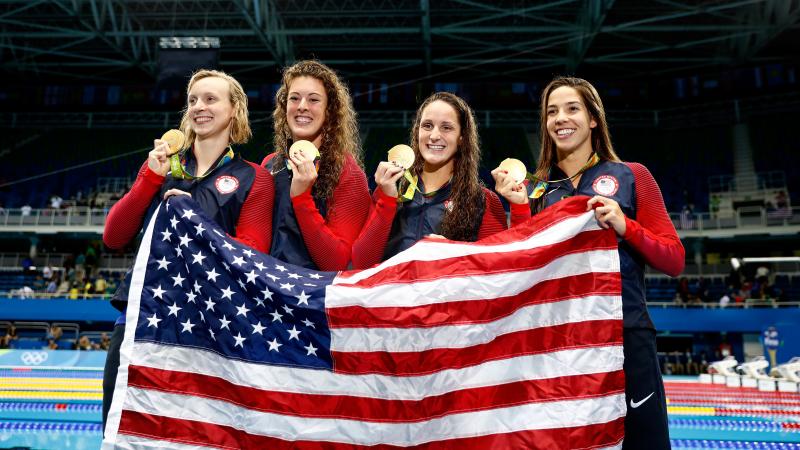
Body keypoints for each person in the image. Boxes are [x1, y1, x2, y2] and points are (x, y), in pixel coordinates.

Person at [492, 76, 684, 449]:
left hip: (625, 335)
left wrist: (626, 226)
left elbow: (674, 259)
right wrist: (517, 206)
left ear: (594, 118)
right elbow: (523, 265)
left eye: (572, 108)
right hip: (561, 342)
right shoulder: (537, 188)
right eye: (551, 112)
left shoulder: (632, 175)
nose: (561, 118)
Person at [101, 69, 275, 431]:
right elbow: (114, 236)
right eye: (193, 100)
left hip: (206, 328)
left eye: (211, 99)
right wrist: (149, 176)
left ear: (234, 110)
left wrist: (195, 221)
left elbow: (252, 257)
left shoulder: (253, 178)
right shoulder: (161, 166)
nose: (199, 107)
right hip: (140, 319)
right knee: (122, 433)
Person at [351, 92, 507, 268]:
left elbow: (496, 272)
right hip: (391, 294)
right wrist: (386, 200)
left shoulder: (483, 201)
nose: (434, 135)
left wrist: (454, 253)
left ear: (462, 138)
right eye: (427, 125)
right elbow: (361, 263)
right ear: (417, 131)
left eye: (446, 127)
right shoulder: (390, 190)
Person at [262, 60, 370, 271]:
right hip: (268, 296)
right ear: (285, 107)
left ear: (329, 111)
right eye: (294, 98)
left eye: (313, 100)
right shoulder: (270, 164)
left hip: (314, 300)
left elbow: (338, 263)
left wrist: (302, 199)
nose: (302, 106)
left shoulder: (348, 173)